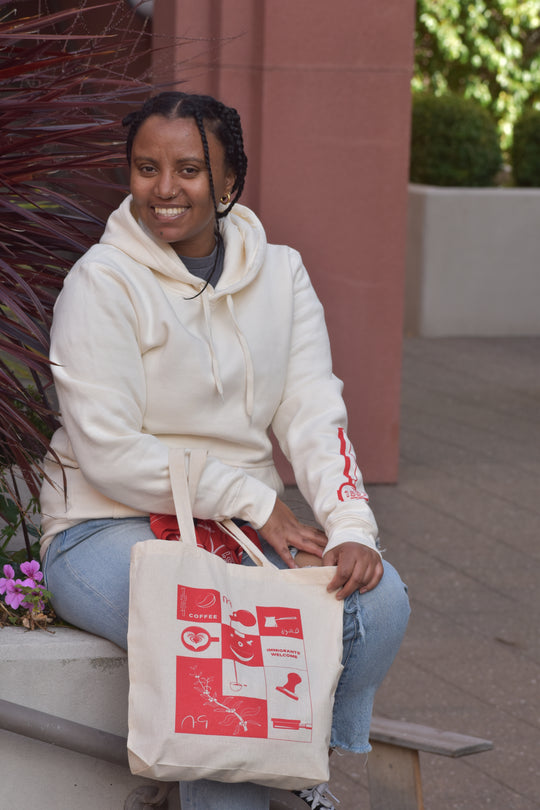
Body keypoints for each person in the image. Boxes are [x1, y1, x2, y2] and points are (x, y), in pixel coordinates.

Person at [40, 91, 410, 810]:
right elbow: (109, 450)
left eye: (189, 169)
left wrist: (351, 528)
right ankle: (265, 780)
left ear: (230, 181)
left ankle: (297, 769)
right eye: (146, 168)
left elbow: (312, 412)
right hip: (104, 524)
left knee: (379, 600)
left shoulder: (281, 274)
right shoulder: (102, 281)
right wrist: (253, 499)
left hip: (235, 527)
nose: (164, 189)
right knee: (210, 635)